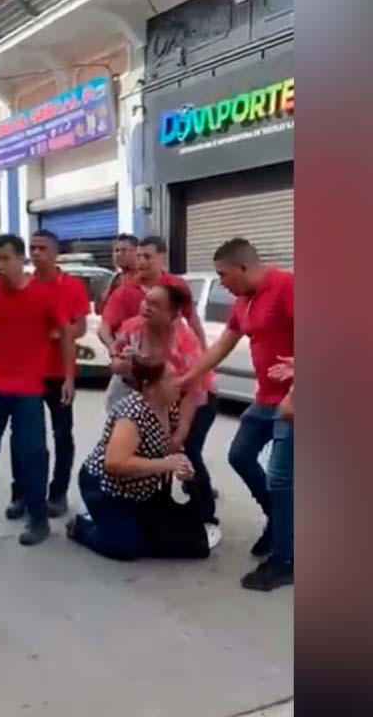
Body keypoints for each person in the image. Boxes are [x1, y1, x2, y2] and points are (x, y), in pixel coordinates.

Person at [178, 237, 293, 592]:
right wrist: (186, 377)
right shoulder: (243, 301)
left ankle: (286, 559)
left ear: (243, 267)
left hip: (293, 397)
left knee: (280, 477)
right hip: (265, 398)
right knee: (240, 455)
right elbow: (223, 345)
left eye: (223, 275)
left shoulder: (286, 287)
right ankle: (278, 521)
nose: (222, 283)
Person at [0, 233, 75, 550]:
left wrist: (68, 378)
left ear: (22, 260)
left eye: (6, 258)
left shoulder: (44, 295)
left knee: (31, 454)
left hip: (29, 389)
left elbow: (64, 336)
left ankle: (38, 517)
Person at [110, 283, 222, 548]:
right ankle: (152, 506)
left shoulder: (184, 341)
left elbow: (193, 391)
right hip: (154, 398)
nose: (146, 307)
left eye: (155, 305)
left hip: (195, 399)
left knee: (187, 452)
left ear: (173, 314)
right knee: (149, 453)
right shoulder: (132, 328)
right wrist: (126, 364)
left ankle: (206, 515)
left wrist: (180, 431)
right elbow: (114, 362)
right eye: (146, 301)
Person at [66, 358, 209, 561]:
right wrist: (165, 464)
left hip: (141, 489)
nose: (177, 382)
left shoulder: (169, 406)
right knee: (125, 547)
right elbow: (115, 463)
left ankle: (117, 522)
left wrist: (182, 466)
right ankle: (81, 527)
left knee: (163, 538)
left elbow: (168, 446)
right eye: (170, 378)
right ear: (149, 388)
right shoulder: (132, 414)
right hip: (106, 488)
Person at [3, 229, 89, 519]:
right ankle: (22, 494)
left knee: (62, 434)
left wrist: (56, 334)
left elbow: (80, 327)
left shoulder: (72, 286)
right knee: (24, 436)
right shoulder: (21, 285)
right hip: (27, 374)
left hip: (59, 373)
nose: (36, 253)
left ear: (54, 253)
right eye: (33, 248)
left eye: (42, 248)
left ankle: (58, 493)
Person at [98, 236, 207, 362]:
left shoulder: (177, 285)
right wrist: (114, 352)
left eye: (147, 257)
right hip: (136, 364)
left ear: (162, 258)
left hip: (174, 361)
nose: (141, 262)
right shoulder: (123, 292)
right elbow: (104, 328)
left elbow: (193, 321)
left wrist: (204, 354)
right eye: (138, 257)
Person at [96, 233, 140, 314]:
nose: (118, 254)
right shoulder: (116, 278)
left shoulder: (144, 276)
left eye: (124, 250)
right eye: (116, 251)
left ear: (136, 252)